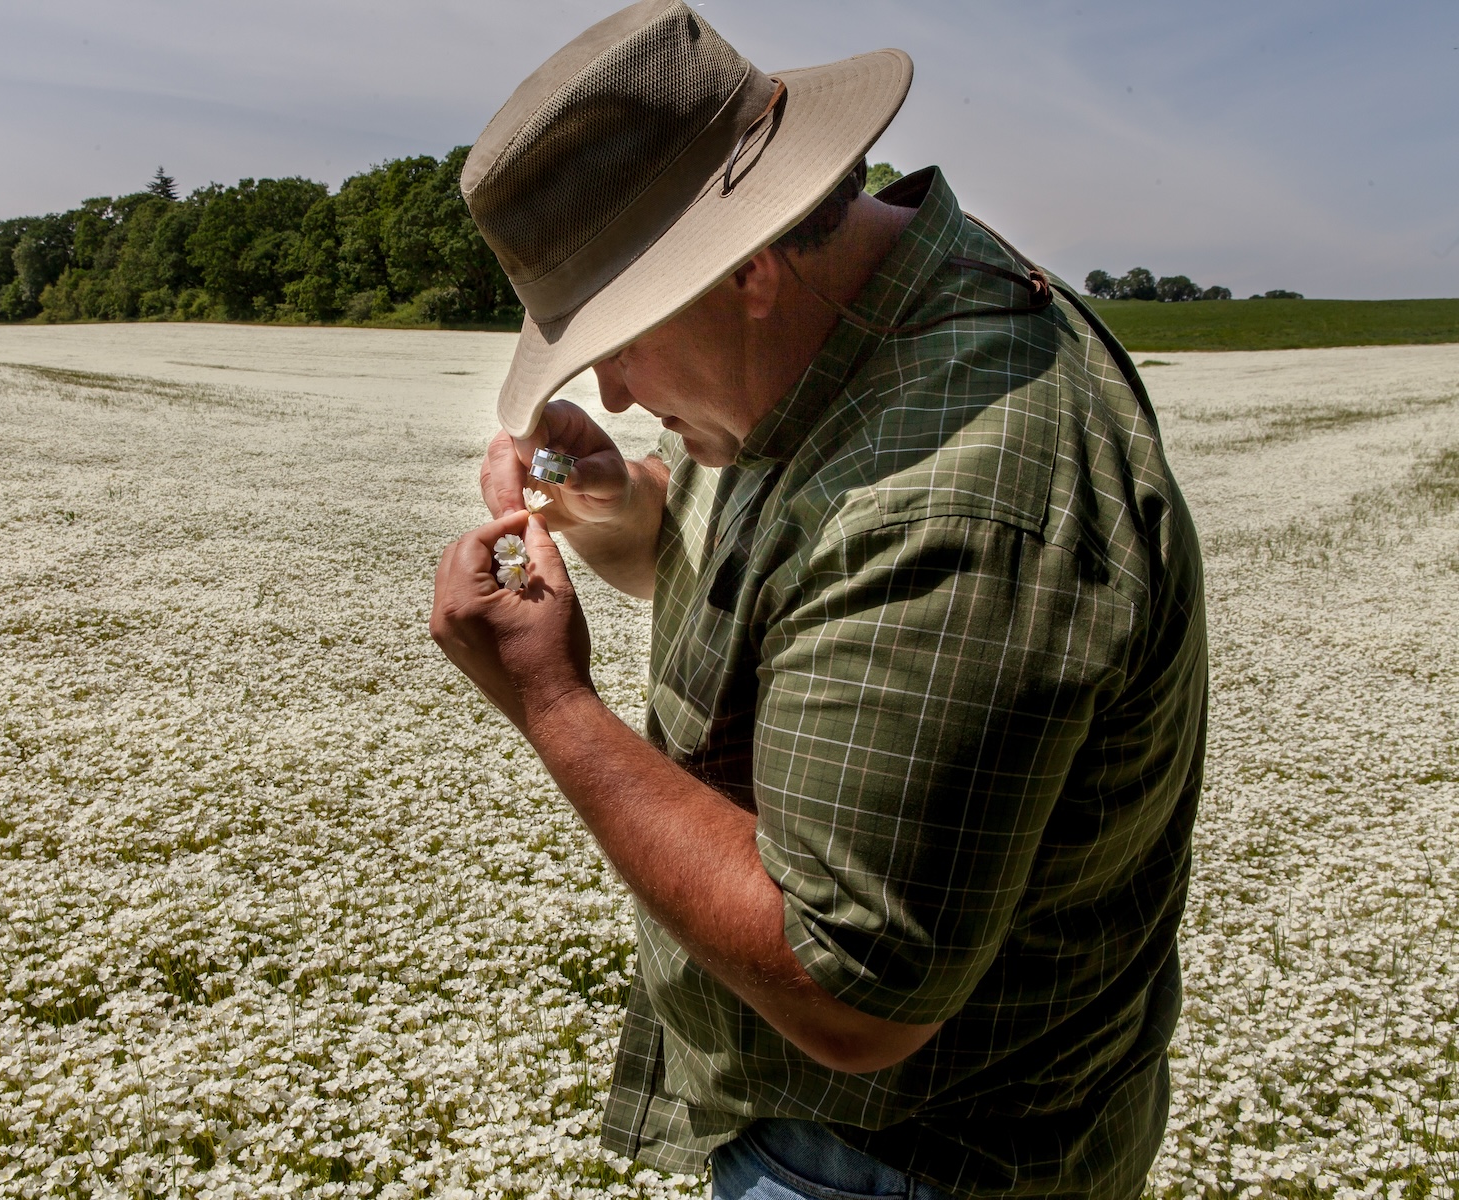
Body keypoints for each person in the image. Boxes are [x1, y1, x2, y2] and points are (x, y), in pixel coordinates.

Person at [428, 3, 1208, 1197]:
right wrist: (615, 507)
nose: (620, 393)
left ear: (747, 261)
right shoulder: (856, 324)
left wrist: (550, 703)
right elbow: (780, 580)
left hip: (898, 1160)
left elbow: (851, 995)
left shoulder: (952, 497)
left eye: (622, 337)